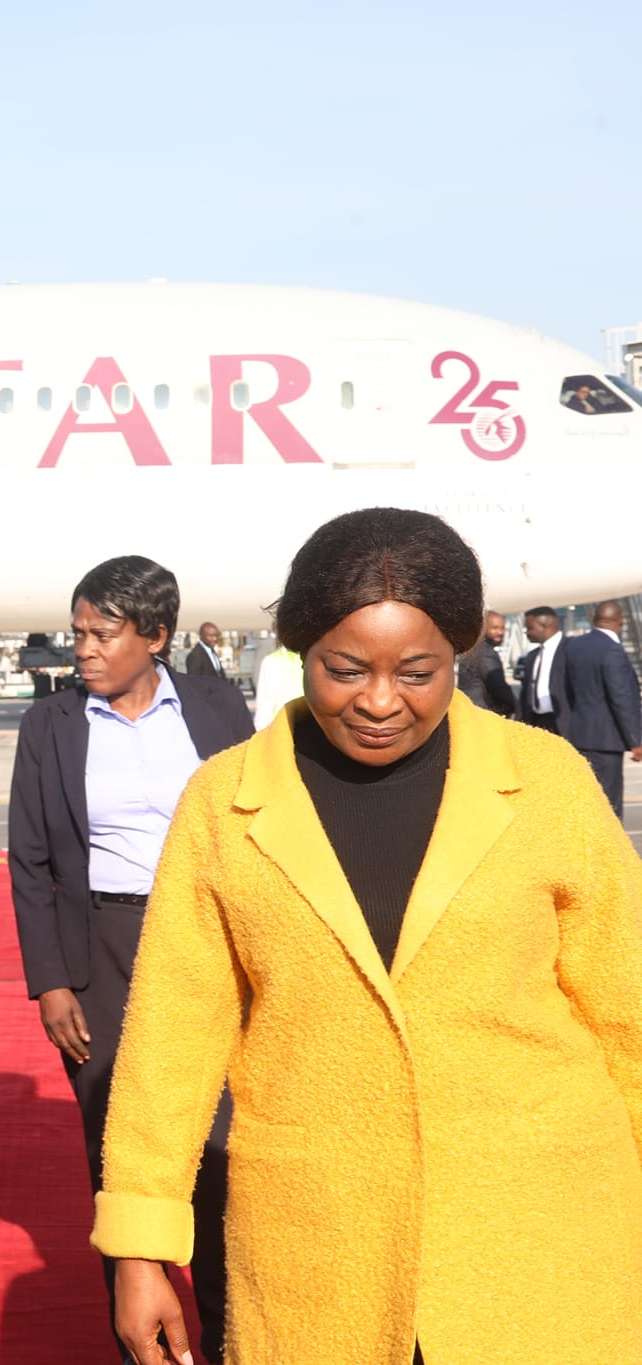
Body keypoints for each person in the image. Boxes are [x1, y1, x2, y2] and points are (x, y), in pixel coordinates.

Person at [97, 508, 642, 1365]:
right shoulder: (223, 802)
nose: (381, 701)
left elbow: (628, 1011)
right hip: (319, 1245)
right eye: (345, 669)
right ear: (300, 651)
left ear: (459, 654)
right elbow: (170, 1036)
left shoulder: (550, 783)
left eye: (418, 672)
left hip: (544, 1234)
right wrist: (139, 1244)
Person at [6, 555, 251, 1363]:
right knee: (117, 1144)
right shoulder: (50, 724)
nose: (83, 648)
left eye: (102, 633)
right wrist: (51, 981)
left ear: (156, 635)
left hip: (209, 940)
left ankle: (228, 1330)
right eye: (77, 632)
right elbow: (30, 861)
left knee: (222, 1144)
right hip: (103, 949)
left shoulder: (217, 706)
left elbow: (257, 826)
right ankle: (146, 1341)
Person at [558, 599, 642, 812]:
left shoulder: (574, 645)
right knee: (609, 804)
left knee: (587, 800)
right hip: (606, 740)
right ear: (620, 622)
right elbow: (621, 698)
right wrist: (635, 741)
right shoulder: (612, 650)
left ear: (594, 620)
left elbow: (565, 688)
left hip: (578, 735)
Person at [454, 609, 515, 716]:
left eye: (503, 628)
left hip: (469, 711)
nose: (500, 632)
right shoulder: (485, 653)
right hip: (482, 714)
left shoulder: (472, 648)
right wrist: (516, 707)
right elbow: (499, 688)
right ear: (482, 628)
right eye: (495, 628)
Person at [515, 604, 565, 732]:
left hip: (563, 724)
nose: (526, 632)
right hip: (536, 723)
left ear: (544, 626)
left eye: (530, 628)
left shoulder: (571, 650)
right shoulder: (532, 656)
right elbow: (526, 693)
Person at [251, 642, 303, 731]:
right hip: (308, 724)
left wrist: (260, 733)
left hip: (280, 728)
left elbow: (264, 707)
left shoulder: (271, 661)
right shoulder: (312, 658)